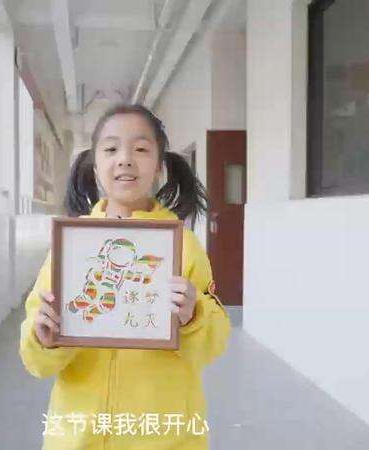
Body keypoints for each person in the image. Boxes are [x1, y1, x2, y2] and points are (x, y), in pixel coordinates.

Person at [19, 104, 231, 449]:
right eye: (111, 149)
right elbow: (36, 361)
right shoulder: (71, 245)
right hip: (79, 438)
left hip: (165, 439)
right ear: (95, 165)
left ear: (159, 166)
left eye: (141, 149)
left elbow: (213, 344)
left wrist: (194, 317)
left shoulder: (184, 246)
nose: (125, 159)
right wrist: (44, 339)